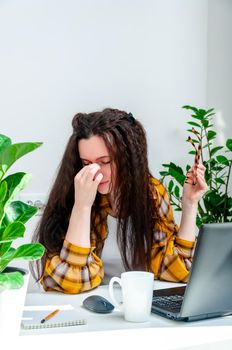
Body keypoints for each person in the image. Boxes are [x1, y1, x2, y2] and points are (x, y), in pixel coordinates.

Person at [32, 108, 208, 294]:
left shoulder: (151, 194)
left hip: (137, 306)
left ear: (128, 159)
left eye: (105, 161)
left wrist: (190, 204)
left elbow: (177, 271)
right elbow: (71, 281)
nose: (94, 172)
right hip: (89, 308)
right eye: (86, 163)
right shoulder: (71, 195)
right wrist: (82, 207)